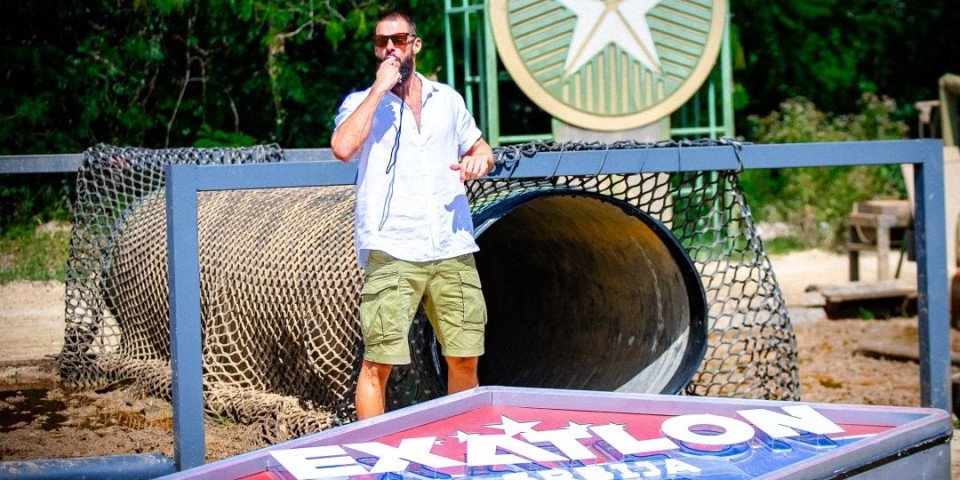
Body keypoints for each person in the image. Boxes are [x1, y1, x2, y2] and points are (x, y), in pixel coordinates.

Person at [330, 9, 494, 420]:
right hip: (394, 247)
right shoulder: (360, 102)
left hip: (451, 244)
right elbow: (343, 147)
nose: (390, 48)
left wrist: (480, 160)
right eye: (381, 42)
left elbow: (480, 148)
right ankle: (372, 451)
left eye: (399, 40)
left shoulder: (447, 99)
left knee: (464, 356)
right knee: (378, 363)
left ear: (415, 44)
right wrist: (379, 89)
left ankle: (463, 441)